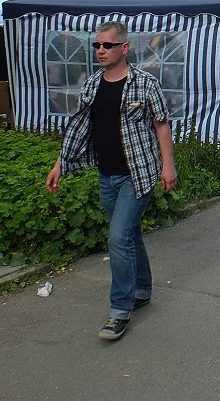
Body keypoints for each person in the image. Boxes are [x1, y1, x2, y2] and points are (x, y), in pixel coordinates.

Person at [44, 21, 176, 341]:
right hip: (107, 175)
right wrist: (60, 163)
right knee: (129, 234)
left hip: (137, 173)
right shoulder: (91, 86)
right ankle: (142, 288)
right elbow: (78, 129)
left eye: (107, 46)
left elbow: (161, 125)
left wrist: (168, 166)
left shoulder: (145, 84)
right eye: (97, 46)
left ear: (124, 48)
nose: (100, 51)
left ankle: (120, 310)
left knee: (118, 239)